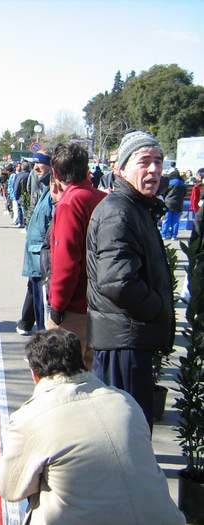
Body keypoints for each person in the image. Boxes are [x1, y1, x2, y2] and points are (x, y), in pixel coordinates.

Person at [0, 328, 185, 525]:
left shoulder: (29, 417)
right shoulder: (125, 401)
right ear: (82, 362)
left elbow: (8, 486)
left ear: (35, 374)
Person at [87, 131, 173, 430]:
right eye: (144, 162)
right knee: (123, 434)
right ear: (121, 168)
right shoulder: (119, 212)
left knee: (129, 432)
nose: (153, 170)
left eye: (158, 162)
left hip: (128, 337)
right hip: (122, 342)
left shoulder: (137, 208)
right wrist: (158, 308)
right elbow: (117, 282)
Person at [46, 143, 105, 367]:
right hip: (98, 302)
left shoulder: (70, 203)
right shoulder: (99, 197)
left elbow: (67, 259)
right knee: (90, 371)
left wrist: (57, 306)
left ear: (55, 173)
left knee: (64, 373)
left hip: (75, 306)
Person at [18, 151, 54, 335]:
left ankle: (42, 344)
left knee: (42, 302)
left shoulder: (53, 190)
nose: (35, 168)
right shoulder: (42, 185)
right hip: (36, 253)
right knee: (34, 290)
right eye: (34, 164)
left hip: (42, 255)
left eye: (39, 164)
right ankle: (25, 323)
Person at [161, 169, 185, 239]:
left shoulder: (170, 182)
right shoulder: (183, 183)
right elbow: (184, 194)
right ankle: (174, 236)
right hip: (179, 204)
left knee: (166, 220)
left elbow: (164, 192)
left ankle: (164, 235)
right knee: (176, 220)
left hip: (169, 203)